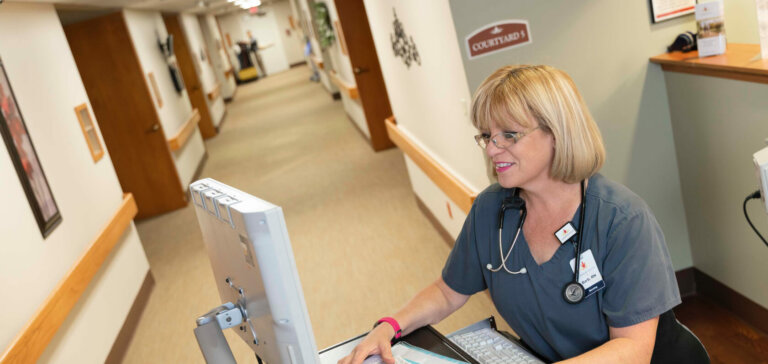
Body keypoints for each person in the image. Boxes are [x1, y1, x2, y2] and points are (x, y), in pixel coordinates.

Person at [339, 65, 706, 364]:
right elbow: (447, 291)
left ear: (557, 134)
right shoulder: (491, 209)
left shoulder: (622, 221)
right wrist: (389, 325)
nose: (492, 149)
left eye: (509, 135)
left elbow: (633, 351)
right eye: (486, 135)